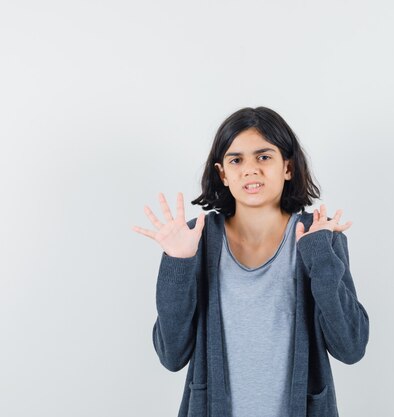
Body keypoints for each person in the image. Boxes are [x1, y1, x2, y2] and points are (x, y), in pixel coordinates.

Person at [132, 106, 370, 417]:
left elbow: (350, 347)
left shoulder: (319, 237)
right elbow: (171, 355)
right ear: (223, 174)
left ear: (288, 167)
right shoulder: (195, 241)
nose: (250, 169)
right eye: (236, 160)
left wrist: (320, 255)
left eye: (264, 156)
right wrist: (178, 261)